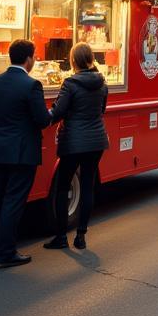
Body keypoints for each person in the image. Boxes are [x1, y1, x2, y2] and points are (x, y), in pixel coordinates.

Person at [0, 39, 52, 268]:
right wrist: (54, 112)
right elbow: (42, 120)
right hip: (22, 151)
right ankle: (5, 253)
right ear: (29, 59)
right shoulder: (32, 85)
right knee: (13, 201)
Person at [43, 42, 110, 251]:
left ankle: (61, 236)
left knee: (63, 187)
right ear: (91, 58)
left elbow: (59, 111)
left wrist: (42, 117)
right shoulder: (102, 82)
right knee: (88, 185)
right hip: (96, 140)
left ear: (73, 60)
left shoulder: (70, 84)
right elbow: (102, 109)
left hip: (73, 141)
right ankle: (81, 236)